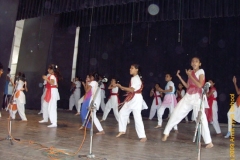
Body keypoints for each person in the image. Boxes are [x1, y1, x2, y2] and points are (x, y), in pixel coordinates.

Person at [162, 57, 213, 149]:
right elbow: (187, 86)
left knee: (201, 119)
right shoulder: (191, 72)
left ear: (200, 64)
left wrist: (190, 76)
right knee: (176, 112)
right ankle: (166, 132)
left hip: (197, 97)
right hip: (189, 96)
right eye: (193, 61)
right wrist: (180, 77)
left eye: (196, 61)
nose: (194, 63)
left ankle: (209, 142)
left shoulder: (201, 71)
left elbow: (200, 85)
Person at [115, 64, 147, 142]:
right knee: (122, 112)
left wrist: (121, 87)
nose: (130, 69)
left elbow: (132, 90)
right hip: (132, 98)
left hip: (135, 99)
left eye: (132, 68)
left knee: (137, 117)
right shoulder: (134, 78)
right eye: (130, 68)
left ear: (136, 70)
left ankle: (143, 136)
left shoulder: (135, 79)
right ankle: (122, 130)